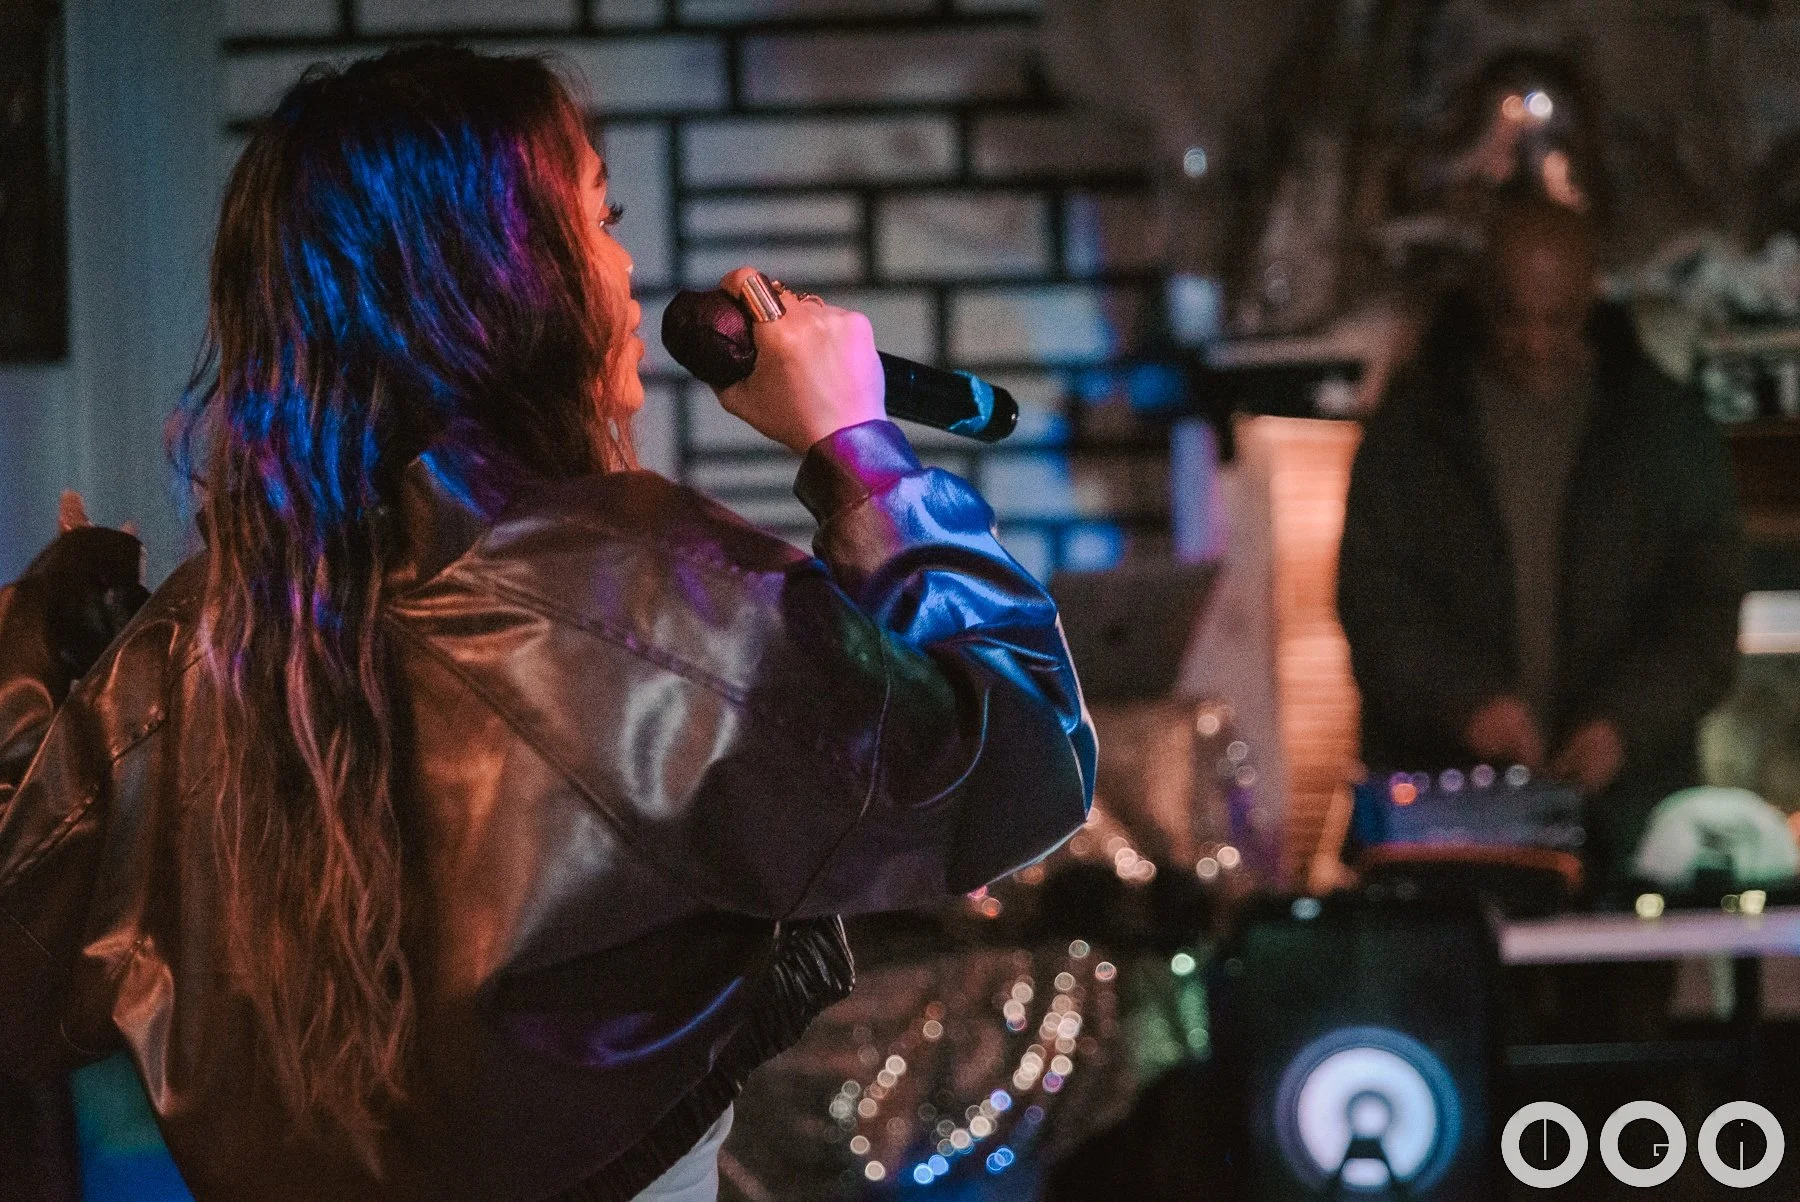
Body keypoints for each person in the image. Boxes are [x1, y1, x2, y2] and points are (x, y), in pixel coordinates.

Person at [0, 47, 1094, 1202]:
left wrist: (57, 635)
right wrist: (857, 447)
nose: (625, 270)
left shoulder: (196, 648)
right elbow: (1021, 755)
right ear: (501, 278)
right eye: (599, 219)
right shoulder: (632, 599)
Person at [1337, 193, 1745, 885]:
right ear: (1482, 300)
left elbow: (1703, 614)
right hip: (1450, 822)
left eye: (1557, 319)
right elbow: (1375, 599)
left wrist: (1621, 726)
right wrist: (1467, 704)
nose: (1533, 343)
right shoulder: (1414, 428)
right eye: (1512, 316)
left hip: (1630, 822)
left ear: (1591, 300)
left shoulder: (1666, 430)